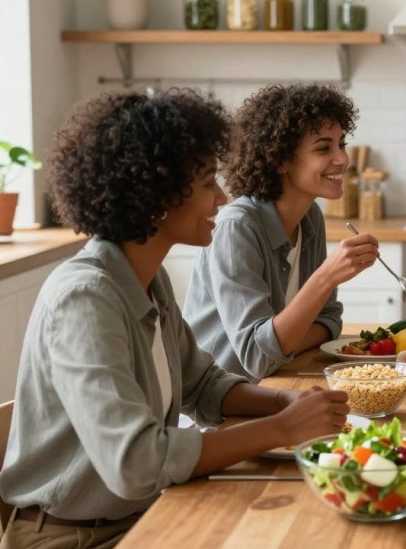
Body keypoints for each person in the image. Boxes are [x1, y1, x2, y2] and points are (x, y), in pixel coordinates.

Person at [0, 90, 349, 549]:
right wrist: (283, 429)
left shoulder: (148, 278)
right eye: (208, 183)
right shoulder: (85, 299)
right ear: (155, 195)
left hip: (142, 513)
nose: (222, 198)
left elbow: (202, 387)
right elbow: (136, 462)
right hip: (73, 538)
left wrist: (286, 405)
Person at [183, 84, 379, 382]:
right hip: (222, 412)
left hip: (275, 384)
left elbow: (329, 320)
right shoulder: (237, 228)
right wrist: (327, 276)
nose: (342, 159)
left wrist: (280, 347)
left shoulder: (309, 217)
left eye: (341, 144)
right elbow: (258, 357)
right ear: (280, 159)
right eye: (323, 148)